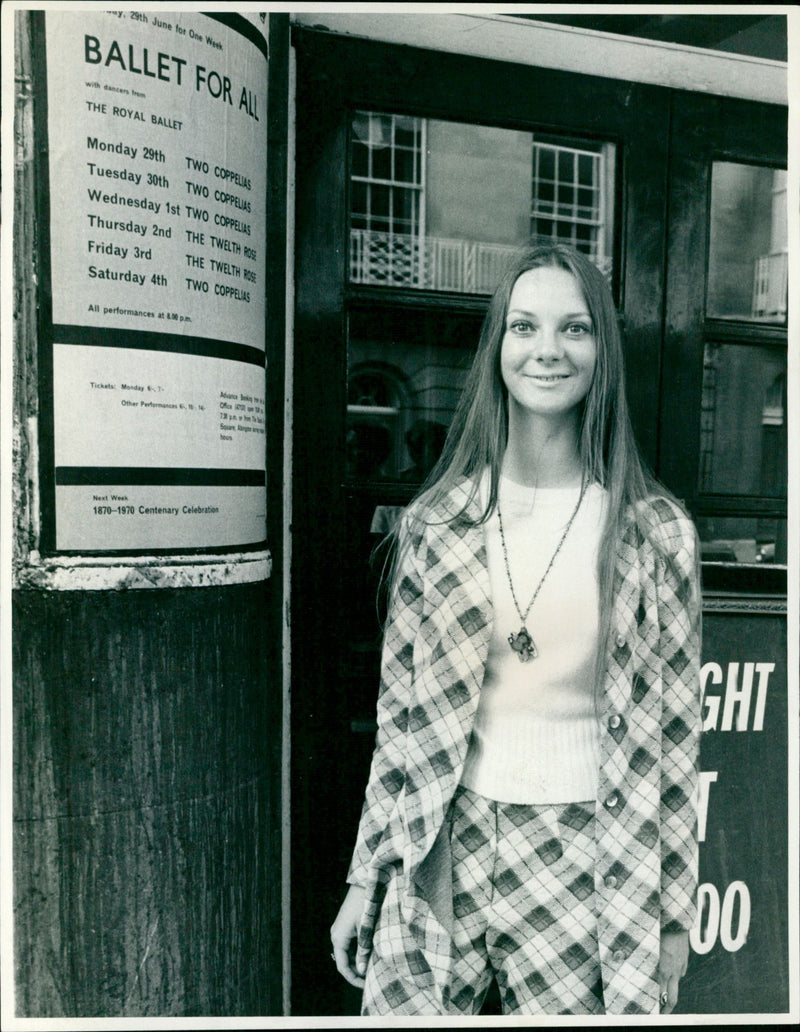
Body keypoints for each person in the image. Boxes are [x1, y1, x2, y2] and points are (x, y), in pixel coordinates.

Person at [330, 243, 702, 1016]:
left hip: (590, 855)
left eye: (575, 329)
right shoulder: (439, 524)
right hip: (445, 845)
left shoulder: (656, 534)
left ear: (602, 350)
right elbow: (399, 726)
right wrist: (367, 876)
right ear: (498, 345)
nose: (548, 350)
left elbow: (676, 739)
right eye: (525, 326)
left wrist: (674, 917)